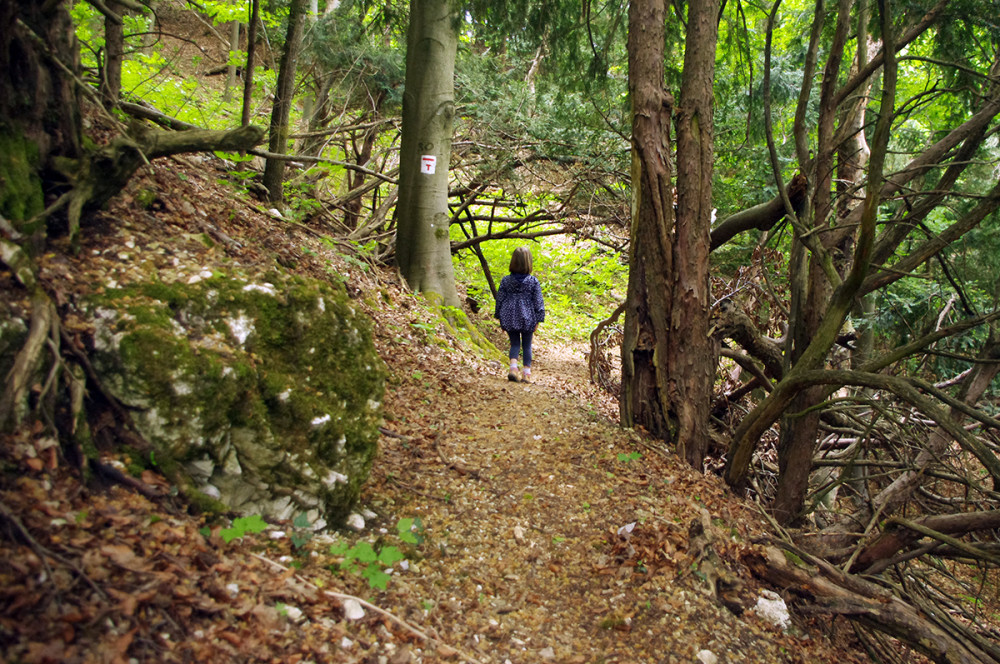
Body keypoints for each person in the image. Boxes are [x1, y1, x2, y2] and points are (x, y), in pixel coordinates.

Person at [494, 246, 545, 383]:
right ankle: (526, 374)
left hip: (509, 315)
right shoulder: (533, 281)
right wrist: (538, 319)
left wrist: (499, 317)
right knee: (527, 345)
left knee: (515, 343)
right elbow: (538, 301)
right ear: (528, 262)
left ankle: (513, 368)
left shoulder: (506, 280)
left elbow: (500, 299)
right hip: (528, 316)